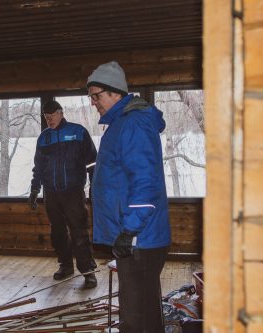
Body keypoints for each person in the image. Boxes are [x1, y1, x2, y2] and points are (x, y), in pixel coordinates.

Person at [87, 61, 171, 332]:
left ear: (115, 93)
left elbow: (145, 183)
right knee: (143, 310)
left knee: (136, 317)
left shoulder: (133, 123)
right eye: (91, 97)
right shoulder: (122, 123)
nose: (93, 102)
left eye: (96, 96)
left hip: (139, 238)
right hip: (134, 237)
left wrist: (130, 230)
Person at [28, 100, 98, 289]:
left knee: (79, 233)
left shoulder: (78, 132)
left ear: (61, 113)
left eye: (52, 116)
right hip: (51, 194)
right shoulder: (44, 138)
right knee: (57, 232)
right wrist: (35, 189)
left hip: (73, 193)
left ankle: (89, 272)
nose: (49, 120)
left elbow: (92, 162)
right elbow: (38, 168)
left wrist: (93, 186)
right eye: (45, 117)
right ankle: (65, 266)